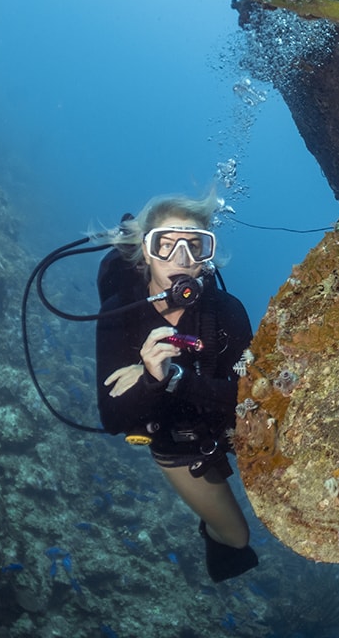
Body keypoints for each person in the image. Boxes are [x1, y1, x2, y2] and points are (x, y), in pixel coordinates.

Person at [95, 191, 258, 582]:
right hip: (176, 444)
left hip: (228, 427)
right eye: (165, 245)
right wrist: (153, 381)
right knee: (237, 539)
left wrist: (174, 380)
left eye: (195, 246)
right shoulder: (120, 311)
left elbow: (247, 399)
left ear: (207, 258)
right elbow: (112, 419)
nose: (181, 259)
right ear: (145, 252)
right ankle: (211, 536)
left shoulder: (228, 312)